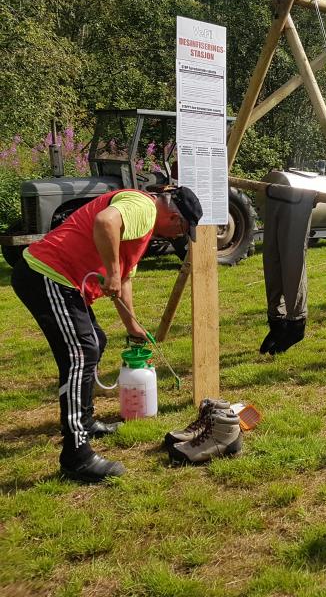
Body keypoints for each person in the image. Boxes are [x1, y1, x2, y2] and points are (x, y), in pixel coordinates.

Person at [11, 186, 202, 483]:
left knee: (95, 342)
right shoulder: (144, 207)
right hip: (47, 273)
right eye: (183, 230)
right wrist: (111, 272)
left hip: (61, 280)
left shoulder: (142, 228)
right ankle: (76, 455)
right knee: (80, 353)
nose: (178, 236)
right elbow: (105, 222)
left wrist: (132, 326)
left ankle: (85, 423)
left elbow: (124, 280)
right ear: (176, 218)